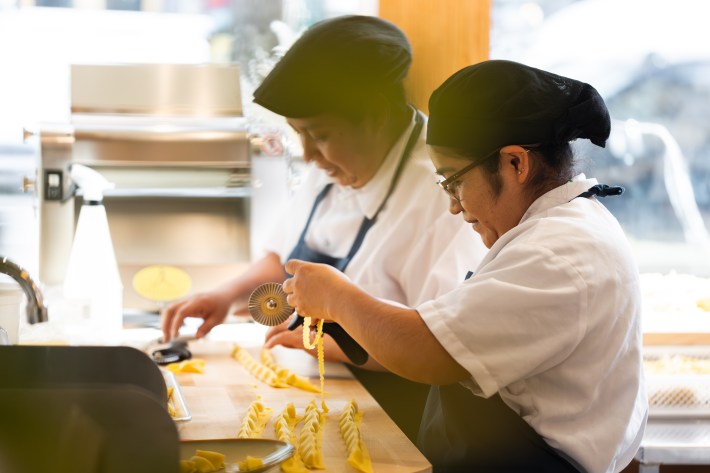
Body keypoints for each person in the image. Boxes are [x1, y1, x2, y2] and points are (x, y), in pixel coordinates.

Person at [281, 59, 648, 472]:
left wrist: (335, 295)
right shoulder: (555, 230)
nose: (454, 206)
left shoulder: (557, 251)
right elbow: (446, 334)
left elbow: (428, 351)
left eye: (455, 180)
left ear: (515, 164)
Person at [161, 15, 486, 442]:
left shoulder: (439, 191)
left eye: (320, 135)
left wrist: (316, 344)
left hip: (394, 415)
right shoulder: (333, 162)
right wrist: (225, 296)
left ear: (378, 115)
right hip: (323, 391)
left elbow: (434, 349)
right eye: (299, 133)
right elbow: (285, 261)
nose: (308, 154)